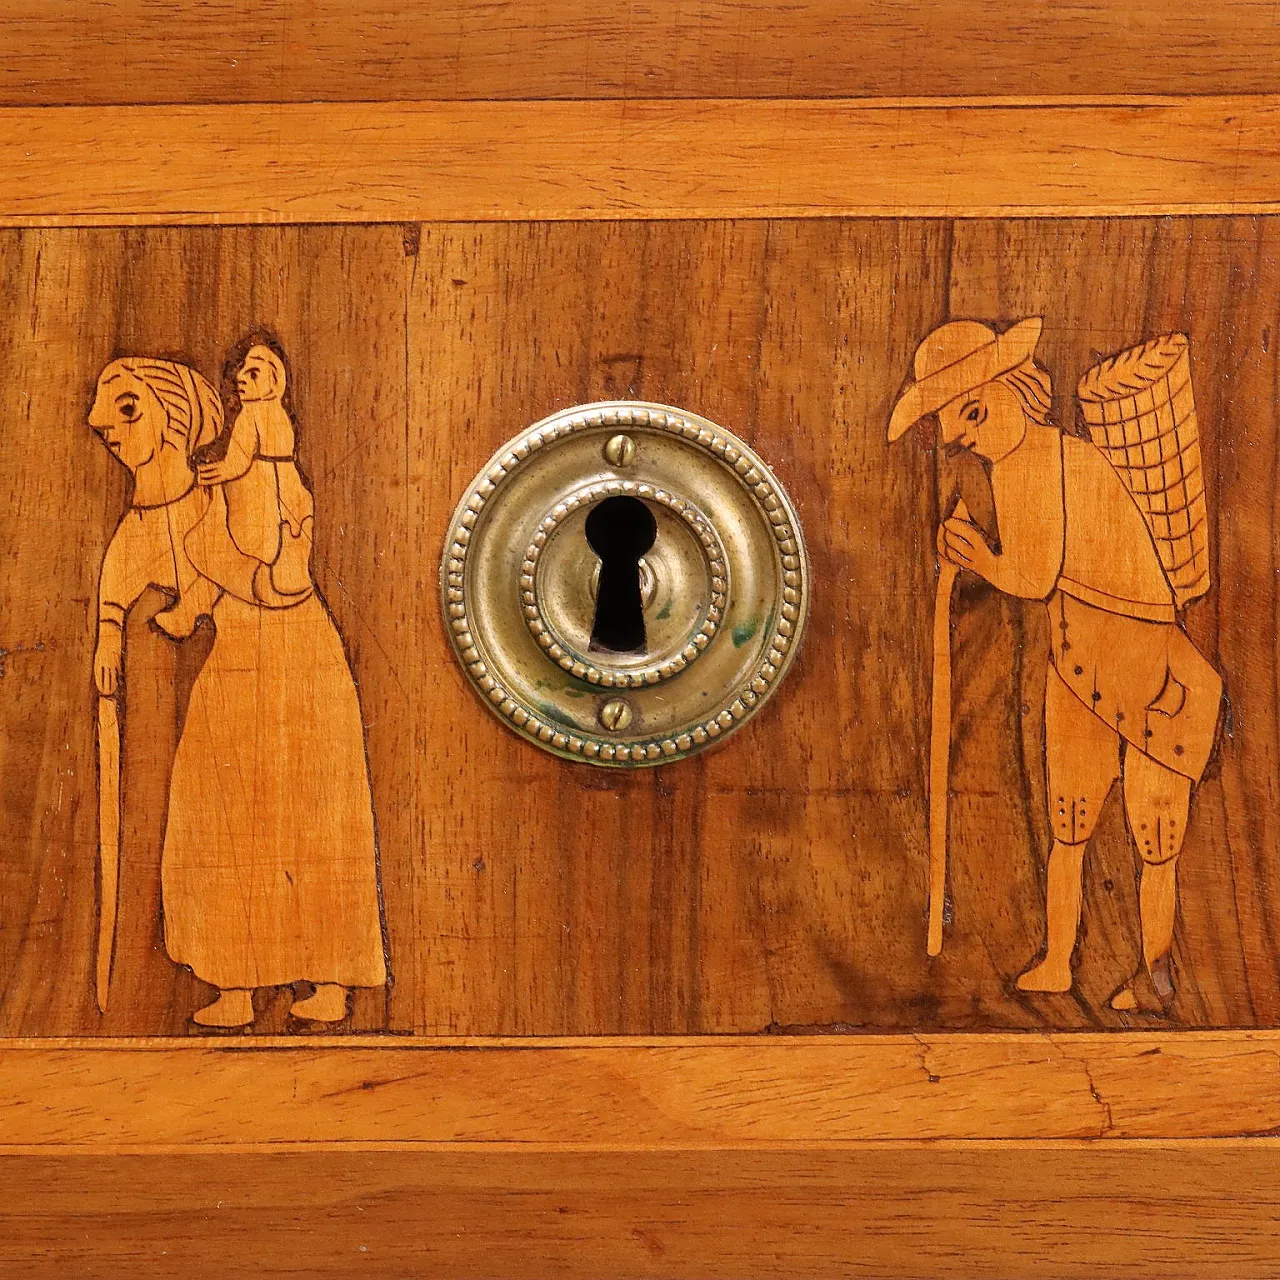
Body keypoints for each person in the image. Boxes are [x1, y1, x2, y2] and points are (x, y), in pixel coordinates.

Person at [888, 318, 1223, 1012]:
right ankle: (1060, 960)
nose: (974, 439)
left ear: (1013, 386)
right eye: (962, 433)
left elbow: (1033, 575)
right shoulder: (1022, 464)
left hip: (1138, 652)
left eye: (976, 414)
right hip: (1081, 654)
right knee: (1070, 824)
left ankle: (1156, 973)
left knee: (1152, 829)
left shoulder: (1038, 462)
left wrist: (976, 554)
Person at [90, 355, 387, 1029]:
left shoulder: (266, 486)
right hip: (239, 662)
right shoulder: (201, 495)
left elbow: (278, 580)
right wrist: (119, 626)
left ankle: (331, 979)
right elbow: (148, 554)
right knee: (217, 811)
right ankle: (232, 981)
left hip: (296, 661)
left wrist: (227, 579)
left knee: (313, 815)